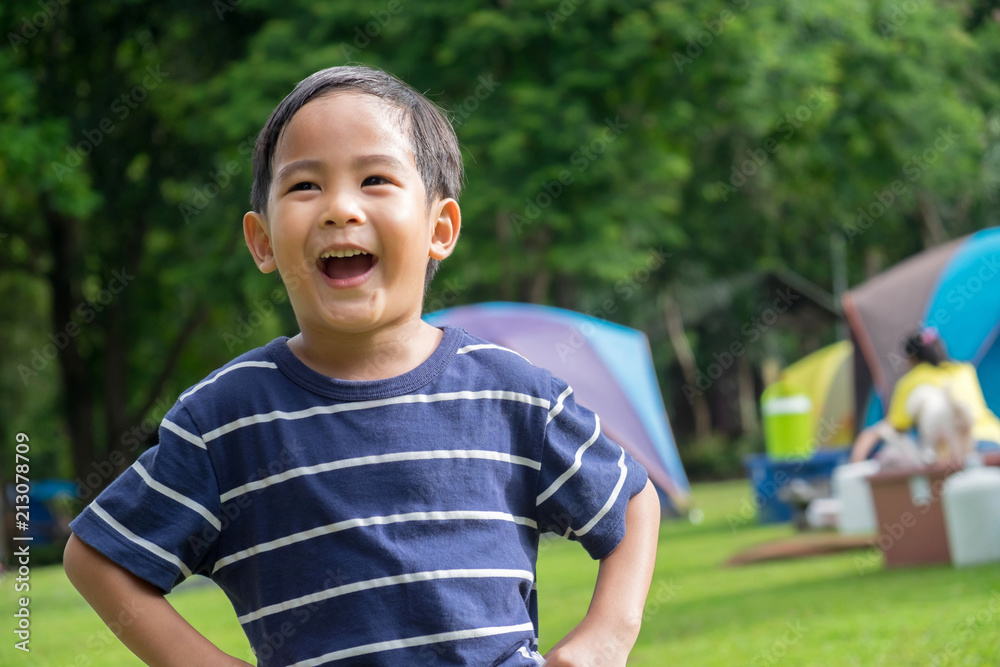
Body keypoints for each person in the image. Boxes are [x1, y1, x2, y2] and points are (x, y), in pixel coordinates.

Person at [62, 65, 661, 666]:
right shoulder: (225, 422)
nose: (339, 208)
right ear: (262, 240)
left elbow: (632, 501)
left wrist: (603, 641)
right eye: (303, 187)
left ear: (440, 228)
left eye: (375, 178)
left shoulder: (512, 395)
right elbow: (100, 556)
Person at [850, 327, 1000, 464]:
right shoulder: (964, 370)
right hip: (994, 440)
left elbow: (886, 430)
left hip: (959, 450)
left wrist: (856, 463)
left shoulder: (910, 381)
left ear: (912, 359)